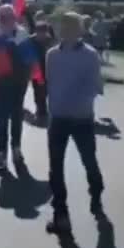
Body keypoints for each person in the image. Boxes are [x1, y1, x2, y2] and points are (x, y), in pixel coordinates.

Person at [45, 12, 106, 235]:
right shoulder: (52, 54)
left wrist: (80, 96)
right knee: (56, 166)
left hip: (81, 117)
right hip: (59, 117)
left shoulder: (90, 55)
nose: (66, 31)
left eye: (71, 27)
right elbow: (50, 82)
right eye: (63, 27)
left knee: (89, 160)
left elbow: (97, 86)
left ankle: (96, 193)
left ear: (79, 30)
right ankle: (60, 213)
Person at [0, 4, 33, 168]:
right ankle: (1, 152)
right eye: (3, 17)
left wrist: (26, 80)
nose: (7, 21)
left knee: (17, 117)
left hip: (18, 83)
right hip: (1, 83)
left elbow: (29, 60)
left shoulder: (22, 34)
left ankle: (16, 148)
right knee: (2, 118)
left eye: (10, 17)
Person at [29, 21, 54, 121]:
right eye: (40, 32)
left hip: (47, 67)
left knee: (45, 89)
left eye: (44, 32)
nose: (42, 35)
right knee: (38, 89)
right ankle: (40, 110)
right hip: (36, 68)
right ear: (36, 31)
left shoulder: (50, 40)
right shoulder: (30, 40)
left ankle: (43, 109)